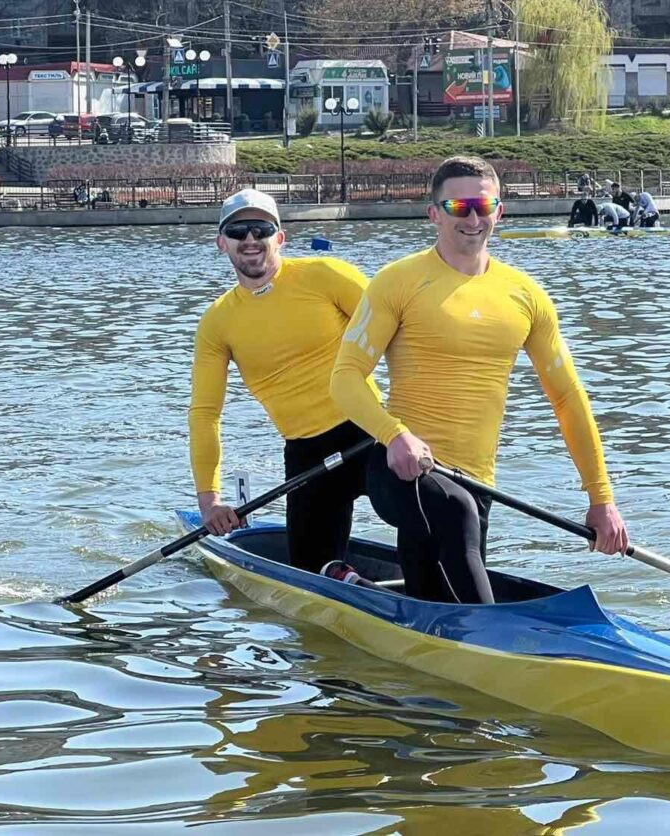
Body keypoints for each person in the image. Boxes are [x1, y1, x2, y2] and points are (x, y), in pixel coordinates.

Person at [331, 155, 629, 604]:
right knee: (454, 512)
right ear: (434, 214)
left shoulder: (526, 295)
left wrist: (601, 499)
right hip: (399, 470)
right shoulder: (398, 282)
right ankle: (494, 644)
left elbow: (568, 399)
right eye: (457, 208)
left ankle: (374, 601)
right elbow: (345, 379)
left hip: (475, 480)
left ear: (499, 211)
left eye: (482, 206)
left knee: (434, 592)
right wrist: (395, 436)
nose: (472, 217)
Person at [188, 188, 377, 572]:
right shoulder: (216, 322)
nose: (251, 240)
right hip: (307, 453)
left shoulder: (327, 276)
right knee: (310, 568)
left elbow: (402, 335)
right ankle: (342, 578)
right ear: (221, 243)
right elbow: (205, 414)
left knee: (419, 517)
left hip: (371, 434)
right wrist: (210, 501)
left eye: (261, 228)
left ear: (280, 237)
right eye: (239, 231)